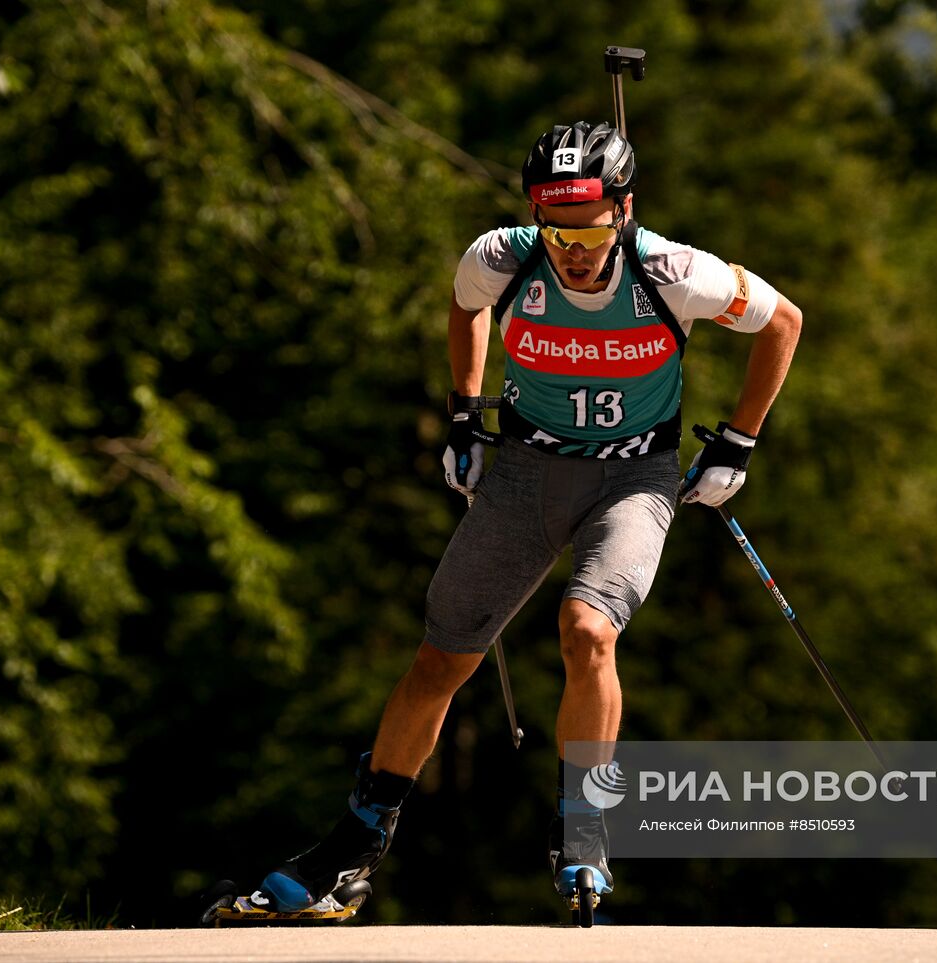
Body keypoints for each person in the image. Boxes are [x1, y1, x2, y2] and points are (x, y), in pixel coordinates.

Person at [251, 120, 803, 912]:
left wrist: (739, 443)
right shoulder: (502, 257)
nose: (572, 248)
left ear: (624, 209)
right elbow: (465, 304)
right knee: (442, 657)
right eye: (556, 228)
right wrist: (465, 415)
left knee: (587, 629)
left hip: (631, 480)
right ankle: (353, 848)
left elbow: (784, 321)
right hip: (524, 472)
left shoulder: (674, 271)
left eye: (588, 227)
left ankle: (585, 835)